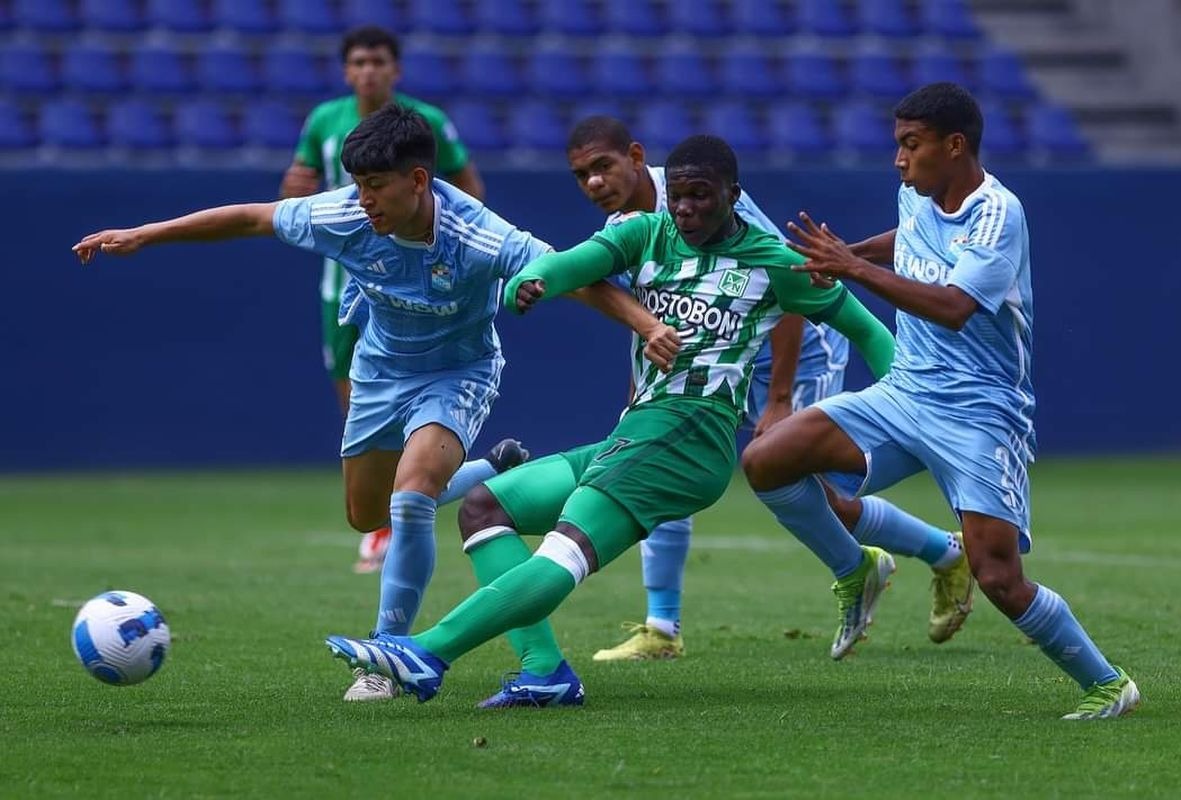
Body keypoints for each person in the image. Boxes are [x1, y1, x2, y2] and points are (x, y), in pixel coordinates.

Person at [73, 105, 673, 704]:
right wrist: (145, 234)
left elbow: (576, 277)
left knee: (411, 498)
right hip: (380, 373)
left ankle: (386, 653)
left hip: (457, 373)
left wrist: (646, 325)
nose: (363, 200)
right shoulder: (343, 214)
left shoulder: (481, 235)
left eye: (376, 186)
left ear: (417, 181)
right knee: (367, 514)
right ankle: (490, 469)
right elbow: (252, 218)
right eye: (358, 185)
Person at [324, 134, 896, 707]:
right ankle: (544, 670)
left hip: (693, 437)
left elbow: (868, 329)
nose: (687, 208)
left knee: (564, 547)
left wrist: (905, 404)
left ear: (733, 195)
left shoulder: (777, 262)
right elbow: (575, 263)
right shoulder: (645, 232)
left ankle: (426, 653)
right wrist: (538, 279)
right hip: (641, 428)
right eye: (679, 196)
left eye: (702, 196)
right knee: (485, 508)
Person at [740, 83, 1139, 719]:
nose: (899, 159)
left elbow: (954, 307)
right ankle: (857, 569)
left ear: (955, 146)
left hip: (980, 414)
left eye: (910, 145)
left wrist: (854, 269)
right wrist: (843, 255)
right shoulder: (918, 194)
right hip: (905, 394)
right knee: (767, 460)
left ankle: (1108, 685)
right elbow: (911, 240)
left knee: (999, 578)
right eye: (897, 144)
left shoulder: (999, 213)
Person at [565, 116, 971, 661]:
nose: (594, 183)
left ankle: (944, 554)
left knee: (813, 488)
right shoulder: (625, 226)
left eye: (603, 167)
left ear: (636, 158)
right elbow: (656, 310)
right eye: (582, 175)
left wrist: (779, 399)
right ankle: (662, 626)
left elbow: (784, 282)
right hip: (714, 352)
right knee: (657, 463)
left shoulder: (696, 192)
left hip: (795, 352)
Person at [280, 25, 487, 574]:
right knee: (358, 402)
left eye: (377, 62)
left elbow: (468, 184)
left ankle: (395, 518)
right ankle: (389, 514)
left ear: (395, 69)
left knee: (413, 397)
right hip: (346, 280)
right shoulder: (325, 122)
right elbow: (291, 189)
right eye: (358, 63)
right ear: (346, 71)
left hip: (419, 279)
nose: (367, 71)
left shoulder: (426, 123)